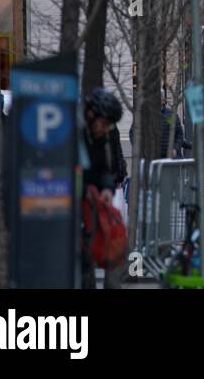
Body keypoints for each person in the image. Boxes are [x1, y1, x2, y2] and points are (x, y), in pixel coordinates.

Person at [81, 88, 127, 289]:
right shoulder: (75, 133)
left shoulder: (103, 136)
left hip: (90, 207)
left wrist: (107, 188)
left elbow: (106, 168)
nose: (105, 129)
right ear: (91, 115)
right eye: (104, 124)